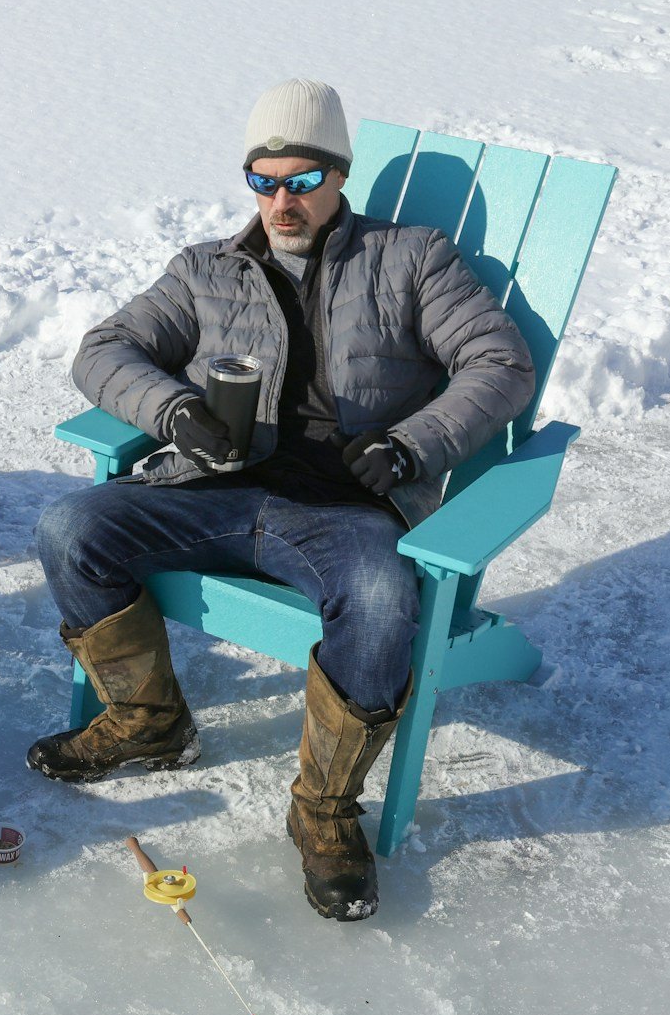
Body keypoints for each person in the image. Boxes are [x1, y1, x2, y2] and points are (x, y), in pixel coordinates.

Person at [28, 81, 535, 919]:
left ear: (339, 177)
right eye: (263, 181)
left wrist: (410, 445)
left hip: (348, 513)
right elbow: (104, 350)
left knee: (379, 599)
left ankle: (325, 810)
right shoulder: (205, 271)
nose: (281, 201)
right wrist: (176, 412)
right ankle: (147, 719)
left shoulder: (413, 259)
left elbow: (499, 364)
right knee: (69, 526)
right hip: (216, 493)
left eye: (302, 181)